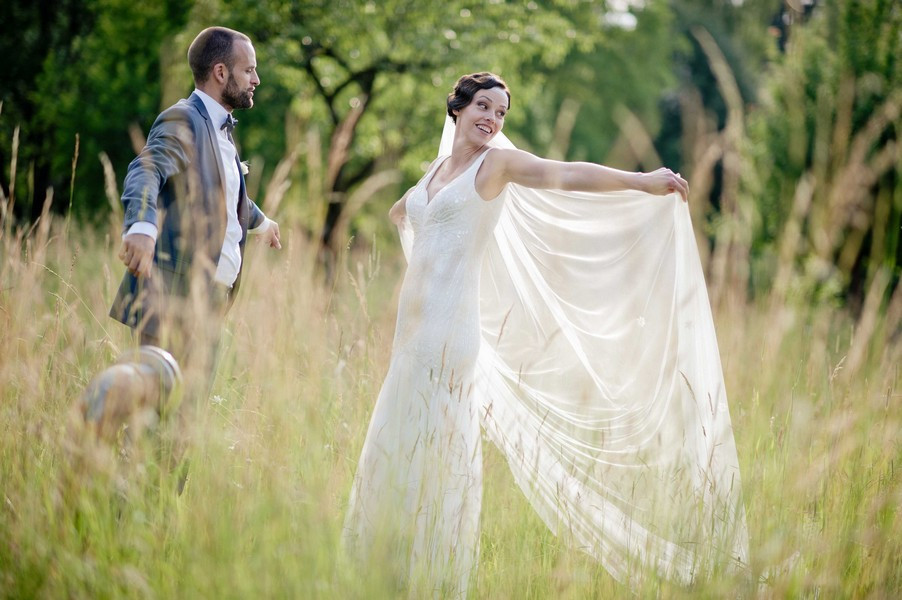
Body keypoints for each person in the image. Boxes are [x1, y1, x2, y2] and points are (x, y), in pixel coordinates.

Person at [343, 73, 748, 596]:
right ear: (457, 110)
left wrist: (642, 180)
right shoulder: (436, 171)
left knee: (437, 454)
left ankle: (431, 577)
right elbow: (403, 212)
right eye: (483, 107)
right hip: (411, 336)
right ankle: (388, 568)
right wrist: (407, 223)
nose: (491, 118)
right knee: (399, 443)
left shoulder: (498, 165)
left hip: (450, 334)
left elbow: (565, 173)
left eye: (501, 113)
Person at [109, 26, 281, 391]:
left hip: (210, 304)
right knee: (153, 415)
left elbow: (219, 192)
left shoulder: (220, 130)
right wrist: (141, 226)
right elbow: (147, 169)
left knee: (187, 423)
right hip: (174, 300)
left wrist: (261, 222)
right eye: (248, 70)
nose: (256, 79)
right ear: (221, 72)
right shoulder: (184, 118)